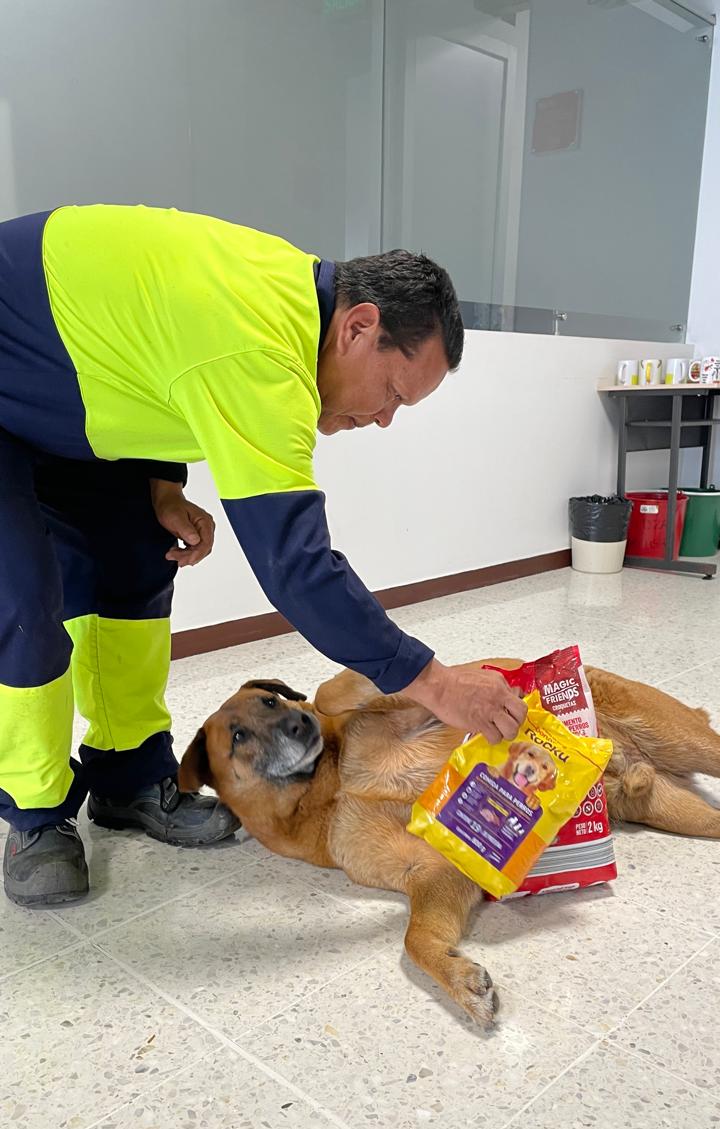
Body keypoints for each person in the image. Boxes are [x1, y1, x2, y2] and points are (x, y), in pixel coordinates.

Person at [0, 205, 525, 908]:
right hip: (15, 369)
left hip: (64, 391)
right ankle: (33, 815)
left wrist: (163, 483)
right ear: (359, 326)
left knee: (135, 558)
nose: (383, 420)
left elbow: (148, 353)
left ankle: (126, 778)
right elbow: (298, 568)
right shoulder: (262, 351)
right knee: (24, 599)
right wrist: (437, 684)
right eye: (393, 394)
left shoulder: (287, 296)